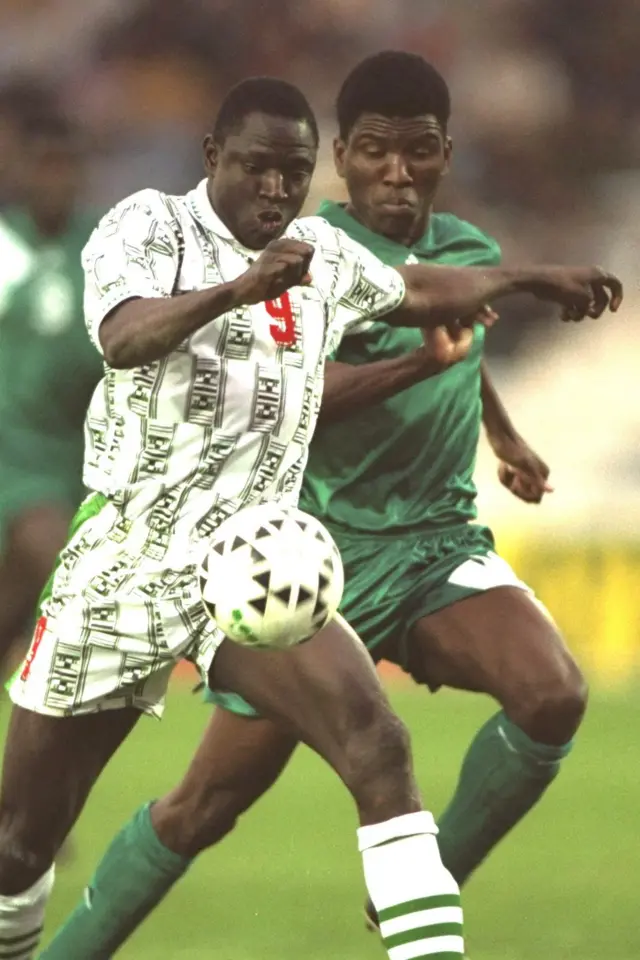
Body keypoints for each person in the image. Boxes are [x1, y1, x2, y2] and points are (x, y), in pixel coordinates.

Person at [34, 71, 624, 960]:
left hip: (349, 554)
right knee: (130, 822)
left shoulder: (406, 252)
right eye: (373, 152)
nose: (395, 172)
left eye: (417, 152)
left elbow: (447, 322)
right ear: (331, 161)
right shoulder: (226, 238)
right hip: (216, 559)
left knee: (473, 716)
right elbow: (180, 356)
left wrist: (516, 377)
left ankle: (423, 900)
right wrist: (266, 300)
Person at [0, 113, 103, 682]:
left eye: (66, 166)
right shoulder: (4, 245)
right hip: (13, 452)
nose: (54, 179)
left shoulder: (100, 248)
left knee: (12, 600)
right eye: (43, 166)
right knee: (64, 572)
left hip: (79, 454)